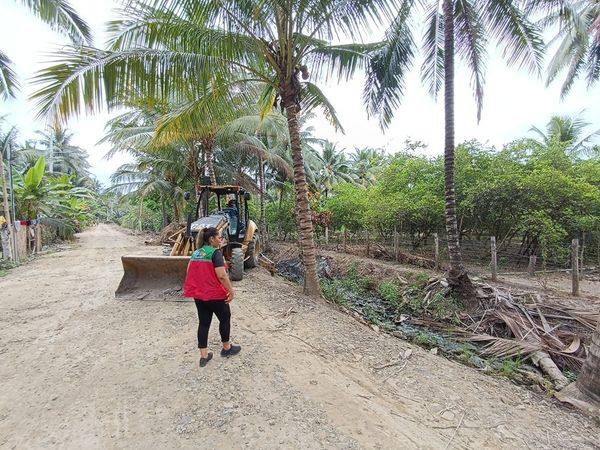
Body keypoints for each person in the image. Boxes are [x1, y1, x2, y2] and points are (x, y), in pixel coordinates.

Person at [183, 227, 241, 367]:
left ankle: (204, 356)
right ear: (211, 239)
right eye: (219, 237)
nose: (220, 240)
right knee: (225, 318)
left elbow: (190, 271)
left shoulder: (196, 253)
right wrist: (231, 291)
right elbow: (222, 275)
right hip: (215, 294)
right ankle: (226, 348)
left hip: (199, 295)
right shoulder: (215, 254)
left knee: (203, 323)